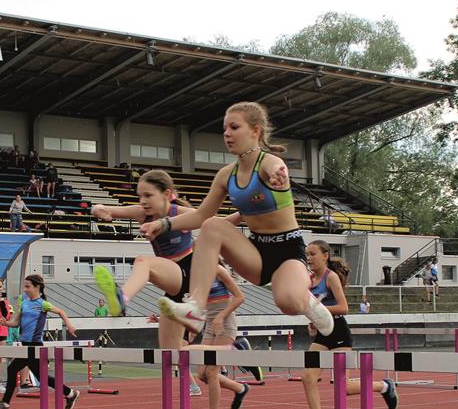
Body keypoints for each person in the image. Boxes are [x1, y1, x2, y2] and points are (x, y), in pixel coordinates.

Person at [142, 102, 334, 339]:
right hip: (255, 251)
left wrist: (278, 174)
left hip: (287, 250)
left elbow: (277, 166)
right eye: (224, 128)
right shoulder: (226, 174)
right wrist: (164, 224)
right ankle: (194, 307)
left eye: (234, 127)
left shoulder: (267, 163)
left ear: (255, 131)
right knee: (211, 225)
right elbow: (201, 215)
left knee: (288, 303)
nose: (226, 134)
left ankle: (310, 303)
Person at [91, 170, 249, 396]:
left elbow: (217, 222)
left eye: (148, 195)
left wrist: (243, 213)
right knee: (171, 353)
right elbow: (109, 210)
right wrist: (98, 210)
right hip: (172, 287)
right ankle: (232, 353)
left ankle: (121, 298)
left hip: (188, 273)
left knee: (143, 262)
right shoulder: (141, 213)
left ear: (167, 194)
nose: (143, 201)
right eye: (139, 196)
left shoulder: (180, 213)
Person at [298, 240, 398, 409]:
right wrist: (313, 321)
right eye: (307, 254)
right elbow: (312, 308)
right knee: (308, 376)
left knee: (343, 388)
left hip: (339, 333)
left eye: (313, 253)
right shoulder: (308, 280)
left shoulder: (331, 277)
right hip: (322, 334)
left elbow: (343, 307)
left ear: (325, 255)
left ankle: (384, 386)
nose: (309, 258)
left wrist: (320, 312)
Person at [0, 274, 80, 409]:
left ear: (37, 287)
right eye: (24, 286)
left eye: (27, 286)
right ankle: (70, 393)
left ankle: (5, 403)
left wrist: (69, 325)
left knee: (13, 369)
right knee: (42, 377)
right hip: (25, 345)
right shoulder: (24, 303)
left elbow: (61, 311)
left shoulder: (42, 304)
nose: (25, 290)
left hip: (35, 346)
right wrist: (6, 323)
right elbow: (16, 322)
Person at [189, 264, 254, 409]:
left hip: (225, 325)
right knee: (202, 375)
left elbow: (240, 297)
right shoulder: (196, 274)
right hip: (210, 326)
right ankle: (240, 388)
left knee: (211, 372)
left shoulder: (217, 270)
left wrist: (220, 316)